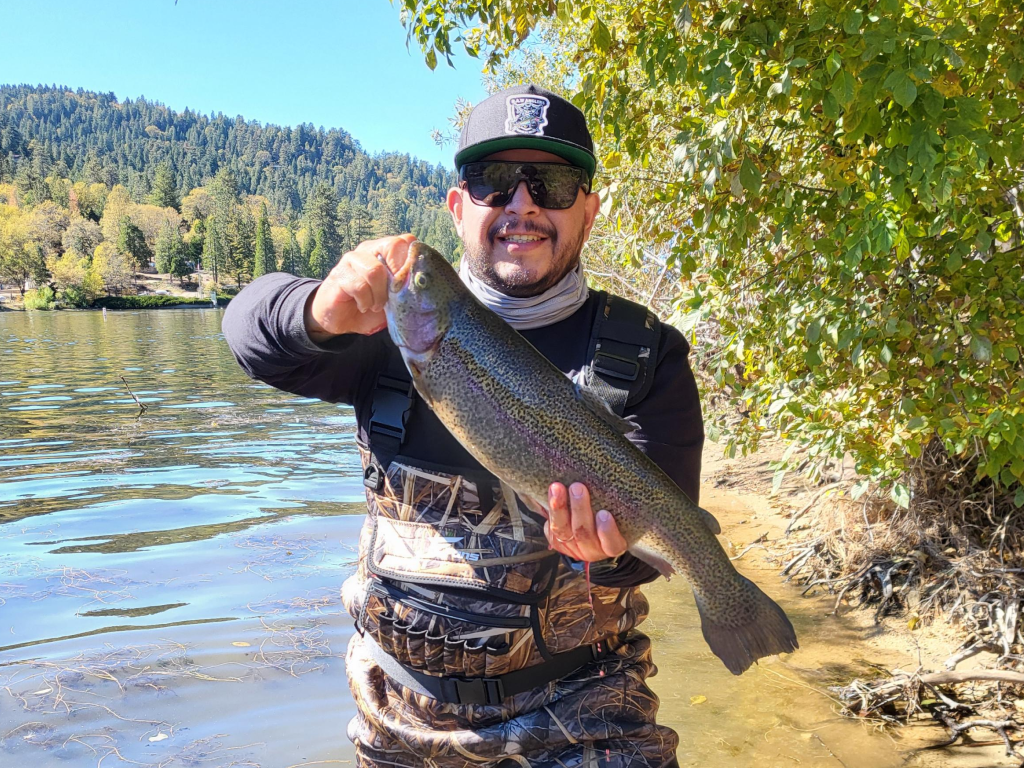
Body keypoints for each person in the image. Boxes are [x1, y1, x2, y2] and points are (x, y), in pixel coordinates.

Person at [222, 84, 704, 768]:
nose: (523, 203)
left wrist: (605, 552)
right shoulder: (380, 332)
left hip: (588, 716)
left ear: (589, 211)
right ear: (458, 207)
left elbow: (657, 538)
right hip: (398, 722)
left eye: (555, 183)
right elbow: (248, 333)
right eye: (494, 181)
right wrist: (319, 311)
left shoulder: (648, 353)